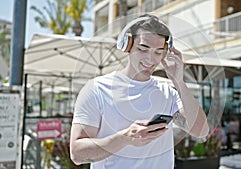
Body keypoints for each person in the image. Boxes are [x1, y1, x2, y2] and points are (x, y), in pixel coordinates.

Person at [70, 14, 209, 169]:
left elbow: (201, 131)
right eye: (143, 49)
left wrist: (179, 82)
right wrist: (125, 138)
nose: (151, 59)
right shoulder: (96, 90)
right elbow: (77, 154)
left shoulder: (168, 93)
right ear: (127, 45)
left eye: (158, 52)